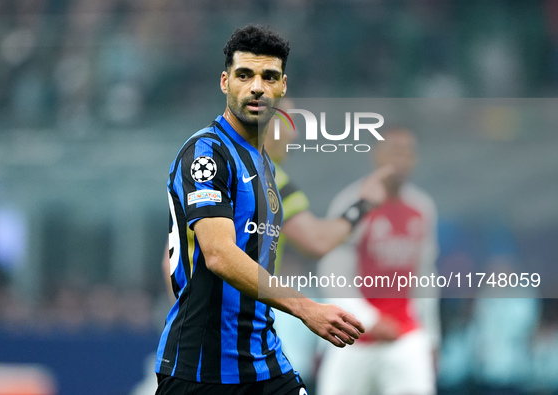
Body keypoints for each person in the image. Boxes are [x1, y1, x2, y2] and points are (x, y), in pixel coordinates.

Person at [155, 25, 372, 395]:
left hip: (261, 360)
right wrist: (306, 308)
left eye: (269, 76)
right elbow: (220, 255)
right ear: (225, 82)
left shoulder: (266, 167)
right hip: (199, 369)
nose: (257, 86)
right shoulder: (207, 154)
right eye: (245, 75)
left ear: (282, 87)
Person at [263, 99, 393, 382]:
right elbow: (317, 240)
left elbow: (170, 261)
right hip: (238, 335)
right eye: (288, 121)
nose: (295, 134)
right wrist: (363, 205)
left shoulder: (212, 168)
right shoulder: (269, 178)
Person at [316, 127, 440, 395]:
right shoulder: (353, 202)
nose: (400, 159)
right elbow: (332, 274)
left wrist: (431, 337)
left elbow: (425, 277)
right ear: (376, 155)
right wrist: (370, 321)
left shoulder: (422, 208)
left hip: (404, 334)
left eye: (407, 152)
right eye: (393, 151)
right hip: (353, 338)